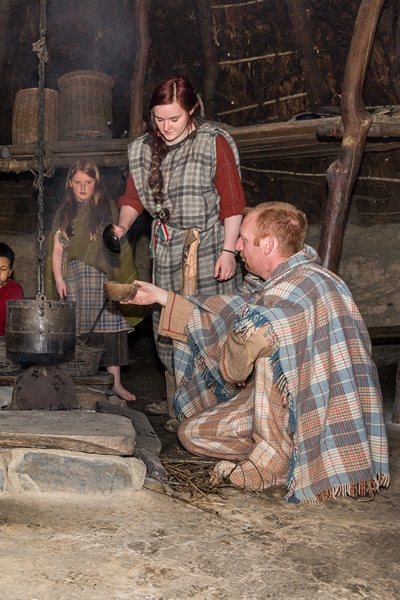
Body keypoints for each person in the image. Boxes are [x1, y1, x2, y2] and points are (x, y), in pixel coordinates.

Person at [122, 202, 389, 503]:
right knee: (191, 434)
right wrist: (162, 297)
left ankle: (276, 460)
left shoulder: (313, 285)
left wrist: (249, 341)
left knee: (265, 341)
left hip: (317, 412)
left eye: (244, 240)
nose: (236, 246)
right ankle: (291, 455)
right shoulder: (271, 287)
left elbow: (248, 352)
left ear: (269, 245)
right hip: (274, 405)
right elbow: (228, 314)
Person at [111, 77, 246, 426]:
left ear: (191, 111)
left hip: (209, 248)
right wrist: (123, 227)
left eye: (174, 118)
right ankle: (178, 405)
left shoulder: (213, 143)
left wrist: (229, 251)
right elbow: (133, 198)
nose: (166, 127)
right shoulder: (142, 150)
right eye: (159, 119)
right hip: (168, 251)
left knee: (208, 325)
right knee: (168, 325)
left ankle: (216, 411)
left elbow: (232, 203)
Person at [47, 159, 143, 401]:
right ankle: (76, 378)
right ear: (70, 184)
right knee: (74, 330)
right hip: (75, 279)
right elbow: (57, 249)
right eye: (77, 182)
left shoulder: (108, 208)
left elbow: (116, 244)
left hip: (102, 278)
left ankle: (115, 383)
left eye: (87, 182)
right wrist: (59, 279)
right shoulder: (64, 213)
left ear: (95, 183)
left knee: (110, 328)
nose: (82, 187)